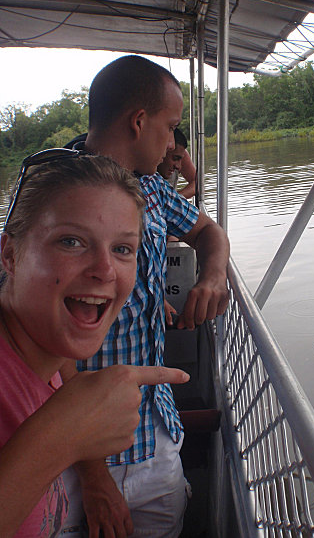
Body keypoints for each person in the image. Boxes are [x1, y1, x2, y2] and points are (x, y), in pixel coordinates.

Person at [61, 55, 230, 538]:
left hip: (156, 428)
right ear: (139, 121)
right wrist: (92, 474)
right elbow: (42, 335)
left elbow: (208, 232)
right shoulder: (57, 195)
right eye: (171, 127)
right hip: (77, 451)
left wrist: (212, 277)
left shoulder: (153, 189)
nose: (175, 143)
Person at [0, 150, 189, 538]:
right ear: (9, 255)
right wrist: (60, 434)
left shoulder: (45, 365)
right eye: (71, 241)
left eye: (122, 249)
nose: (105, 271)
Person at [157, 128, 196, 199]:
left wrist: (173, 198)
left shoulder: (181, 153)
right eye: (175, 158)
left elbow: (196, 183)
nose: (179, 167)